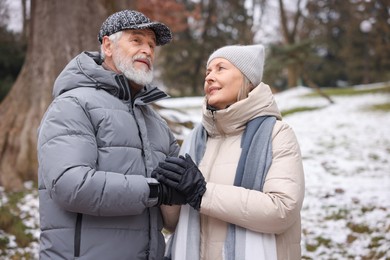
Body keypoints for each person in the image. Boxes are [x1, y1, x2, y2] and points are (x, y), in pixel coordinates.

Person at [37, 10, 187, 259]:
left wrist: (187, 186)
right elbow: (71, 185)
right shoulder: (73, 104)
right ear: (108, 45)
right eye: (137, 40)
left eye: (151, 45)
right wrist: (155, 191)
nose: (148, 50)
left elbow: (174, 201)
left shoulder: (157, 124)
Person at [153, 44, 305, 260]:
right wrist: (170, 195)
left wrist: (202, 192)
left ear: (247, 79)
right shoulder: (195, 139)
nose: (209, 77)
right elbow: (174, 225)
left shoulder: (276, 134)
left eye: (220, 68)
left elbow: (282, 211)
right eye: (208, 72)